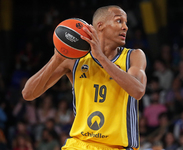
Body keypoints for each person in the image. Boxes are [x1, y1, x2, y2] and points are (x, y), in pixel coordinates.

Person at [22, 5, 147, 150]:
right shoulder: (75, 59)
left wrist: (100, 57)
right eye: (119, 21)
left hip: (118, 146)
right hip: (79, 144)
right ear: (100, 26)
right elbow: (28, 94)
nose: (125, 27)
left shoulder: (134, 56)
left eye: (126, 23)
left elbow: (138, 90)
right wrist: (56, 59)